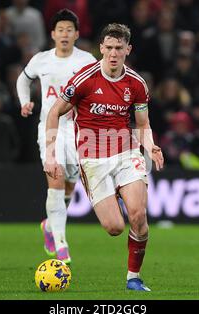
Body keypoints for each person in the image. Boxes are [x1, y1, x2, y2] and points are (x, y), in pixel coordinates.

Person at [44, 23, 164, 291]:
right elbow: (54, 112)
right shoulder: (84, 79)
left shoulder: (136, 83)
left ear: (127, 50)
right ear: (100, 48)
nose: (112, 53)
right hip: (93, 158)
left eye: (118, 48)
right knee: (114, 228)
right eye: (108, 48)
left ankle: (133, 277)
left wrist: (151, 146)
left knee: (138, 216)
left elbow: (142, 124)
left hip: (126, 152)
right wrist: (51, 154)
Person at [16, 9, 96, 264]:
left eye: (69, 30)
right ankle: (62, 246)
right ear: (52, 34)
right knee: (56, 179)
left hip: (77, 131)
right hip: (49, 129)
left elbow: (98, 89)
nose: (64, 34)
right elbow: (23, 80)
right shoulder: (41, 60)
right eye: (60, 30)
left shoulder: (87, 61)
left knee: (70, 185)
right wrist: (25, 102)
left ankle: (49, 226)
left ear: (76, 34)